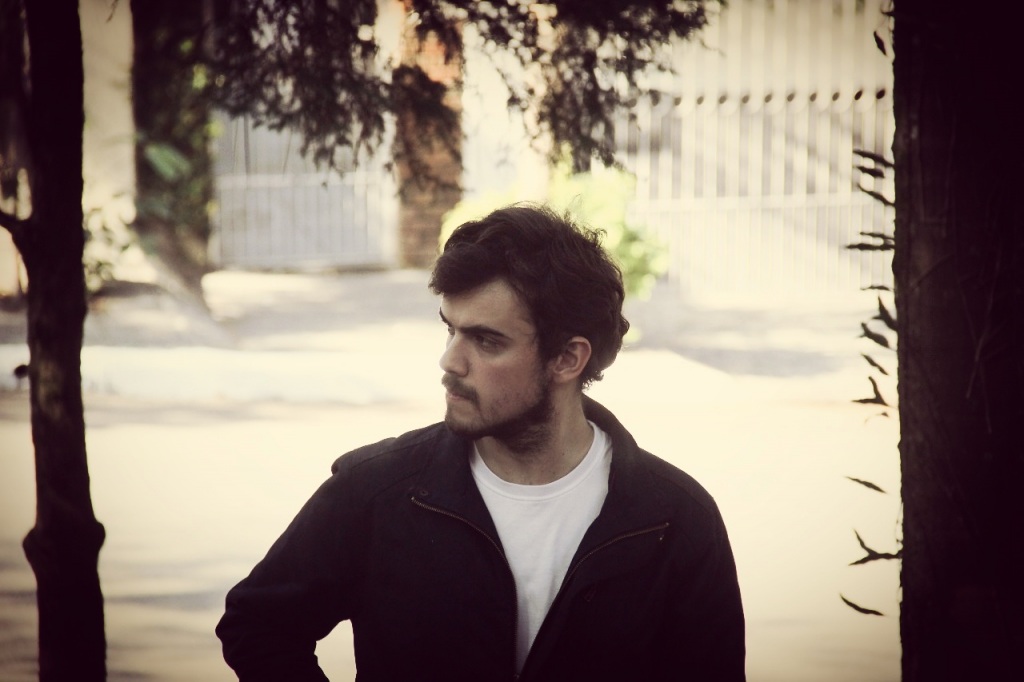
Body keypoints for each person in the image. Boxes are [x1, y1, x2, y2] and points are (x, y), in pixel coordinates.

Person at [216, 204, 745, 681]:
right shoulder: (377, 490)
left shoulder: (673, 518)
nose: (450, 361)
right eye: (450, 329)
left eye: (487, 341)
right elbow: (258, 625)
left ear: (567, 359)